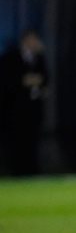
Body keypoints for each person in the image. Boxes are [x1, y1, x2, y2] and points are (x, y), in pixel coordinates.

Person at [0, 29, 49, 175]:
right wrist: (25, 80)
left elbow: (45, 79)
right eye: (32, 40)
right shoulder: (10, 57)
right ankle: (16, 171)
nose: (35, 43)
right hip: (15, 110)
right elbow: (8, 81)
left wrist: (31, 80)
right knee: (16, 143)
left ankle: (31, 171)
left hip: (34, 108)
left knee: (32, 142)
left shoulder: (39, 58)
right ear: (25, 40)